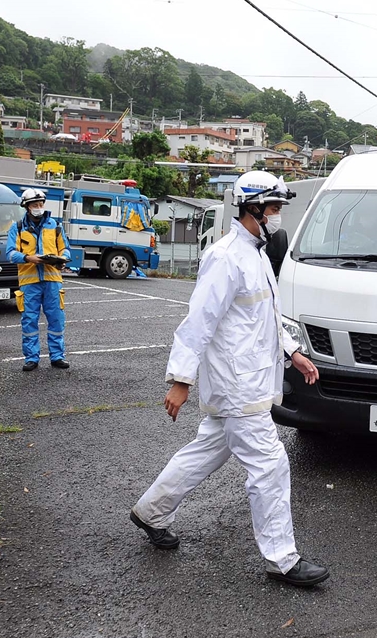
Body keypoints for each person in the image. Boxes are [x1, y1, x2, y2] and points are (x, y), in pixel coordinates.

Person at [131, 170, 330, 588]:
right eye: (274, 209)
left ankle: (151, 511)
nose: (278, 217)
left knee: (207, 450)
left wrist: (292, 352)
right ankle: (282, 559)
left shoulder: (255, 252)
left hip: (247, 380)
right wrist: (181, 379)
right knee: (271, 466)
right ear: (253, 208)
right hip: (239, 385)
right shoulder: (225, 256)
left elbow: (264, 317)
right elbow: (199, 320)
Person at [5, 188, 71, 372]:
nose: (39, 207)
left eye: (41, 204)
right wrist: (29, 258)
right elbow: (10, 254)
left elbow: (65, 249)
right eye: (35, 205)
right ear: (26, 207)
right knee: (29, 321)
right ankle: (31, 358)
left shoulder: (55, 225)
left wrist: (63, 259)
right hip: (29, 282)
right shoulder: (17, 227)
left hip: (52, 280)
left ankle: (57, 356)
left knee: (56, 319)